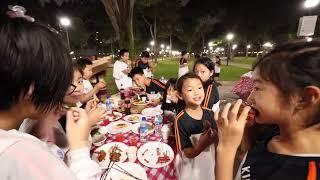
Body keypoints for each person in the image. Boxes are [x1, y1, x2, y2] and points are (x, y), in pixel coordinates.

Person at [0, 10, 100, 179]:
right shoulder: (18, 152)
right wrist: (79, 148)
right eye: (61, 84)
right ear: (31, 89)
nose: (61, 93)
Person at [215, 41, 320, 180]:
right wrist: (246, 129)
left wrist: (226, 148)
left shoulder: (307, 173)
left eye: (258, 88)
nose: (250, 97)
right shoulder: (274, 130)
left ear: (304, 98)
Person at [174, 73, 217, 180]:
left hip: (209, 160)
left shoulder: (210, 113)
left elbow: (217, 138)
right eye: (190, 90)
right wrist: (200, 146)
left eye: (199, 87)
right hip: (192, 165)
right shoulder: (180, 120)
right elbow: (187, 152)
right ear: (180, 95)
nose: (197, 92)